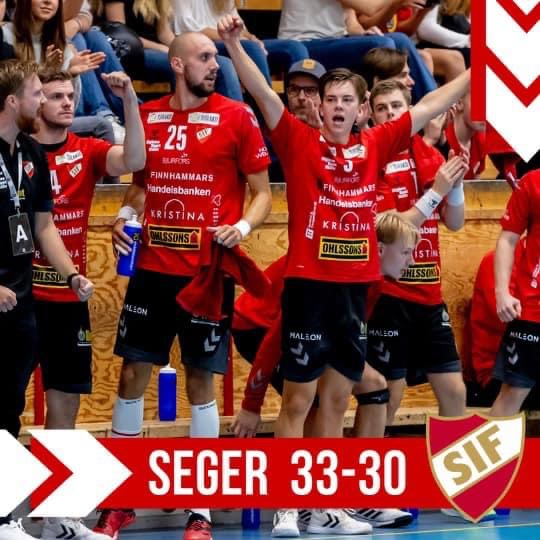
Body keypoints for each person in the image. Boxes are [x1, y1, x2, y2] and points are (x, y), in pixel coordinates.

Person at [218, 12, 470, 537]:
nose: (336, 106)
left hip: (354, 294)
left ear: (360, 109)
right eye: (329, 99)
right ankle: (288, 507)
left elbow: (429, 106)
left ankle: (323, 506)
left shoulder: (375, 145)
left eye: (345, 100)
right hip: (309, 290)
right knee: (299, 401)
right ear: (319, 107)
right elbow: (261, 92)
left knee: (335, 401)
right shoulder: (298, 140)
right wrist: (235, 45)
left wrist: (478, 69)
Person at [93, 31, 272, 540]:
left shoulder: (237, 116)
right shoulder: (148, 116)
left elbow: (262, 193)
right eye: (204, 57)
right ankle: (120, 501)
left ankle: (200, 510)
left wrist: (242, 227)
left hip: (207, 272)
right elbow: (139, 185)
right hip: (152, 269)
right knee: (131, 374)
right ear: (176, 64)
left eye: (215, 57)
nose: (214, 65)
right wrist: (126, 216)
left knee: (199, 382)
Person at [28, 68, 144, 540]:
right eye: (55, 95)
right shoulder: (19, 153)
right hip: (22, 296)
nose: (66, 102)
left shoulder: (87, 150)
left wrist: (129, 100)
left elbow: (134, 158)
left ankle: (56, 512)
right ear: (35, 102)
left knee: (66, 402)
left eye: (70, 95)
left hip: (69, 296)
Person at [0, 59, 94, 540]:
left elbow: (43, 227)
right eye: (37, 94)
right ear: (12, 100)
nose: (42, 102)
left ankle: (24, 517)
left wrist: (71, 273)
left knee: (10, 409)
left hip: (21, 300)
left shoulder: (30, 152)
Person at [366, 79, 468, 425]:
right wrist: (437, 191)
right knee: (388, 394)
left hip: (429, 295)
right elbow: (391, 228)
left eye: (397, 106)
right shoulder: (372, 158)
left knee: (455, 391)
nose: (391, 114)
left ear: (410, 110)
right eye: (382, 108)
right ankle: (374, 454)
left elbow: (455, 222)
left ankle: (449, 460)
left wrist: (456, 186)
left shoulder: (429, 155)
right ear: (372, 116)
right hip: (390, 295)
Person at [278, 0, 437, 103]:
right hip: (304, 44)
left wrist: (363, 34)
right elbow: (369, 7)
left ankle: (433, 108)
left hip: (334, 41)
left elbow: (351, 24)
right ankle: (391, 113)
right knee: (382, 44)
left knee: (400, 39)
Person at [490, 170, 540, 417]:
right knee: (513, 392)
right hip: (533, 309)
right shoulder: (533, 182)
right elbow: (507, 239)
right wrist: (502, 292)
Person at [173, 0, 309, 85]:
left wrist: (251, 37)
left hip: (232, 40)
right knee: (251, 48)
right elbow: (186, 28)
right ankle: (267, 115)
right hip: (203, 45)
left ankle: (299, 115)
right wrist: (232, 37)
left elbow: (239, 25)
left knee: (294, 48)